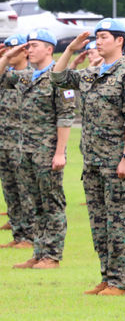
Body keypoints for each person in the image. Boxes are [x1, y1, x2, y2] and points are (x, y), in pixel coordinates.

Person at [51, 18, 125, 296]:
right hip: (92, 162)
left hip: (117, 161)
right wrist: (69, 51)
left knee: (118, 223)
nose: (97, 41)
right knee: (99, 223)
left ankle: (120, 282)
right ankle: (106, 276)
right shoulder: (91, 73)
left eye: (103, 36)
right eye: (96, 37)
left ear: (120, 41)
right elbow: (57, 78)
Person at [0, 30, 74, 270]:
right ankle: (38, 251)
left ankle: (52, 255)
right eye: (27, 46)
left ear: (49, 49)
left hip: (47, 150)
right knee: (35, 204)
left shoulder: (59, 77)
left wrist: (60, 152)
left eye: (33, 46)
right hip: (26, 151)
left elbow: (65, 117)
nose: (28, 50)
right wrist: (10, 53)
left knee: (52, 203)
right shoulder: (25, 77)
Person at [0, 34, 34, 248]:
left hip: (22, 144)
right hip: (4, 143)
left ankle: (30, 236)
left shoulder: (30, 76)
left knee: (25, 191)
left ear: (24, 51)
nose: (10, 53)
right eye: (7, 49)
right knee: (10, 190)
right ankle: (19, 234)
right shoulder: (6, 76)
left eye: (14, 49)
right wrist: (5, 58)